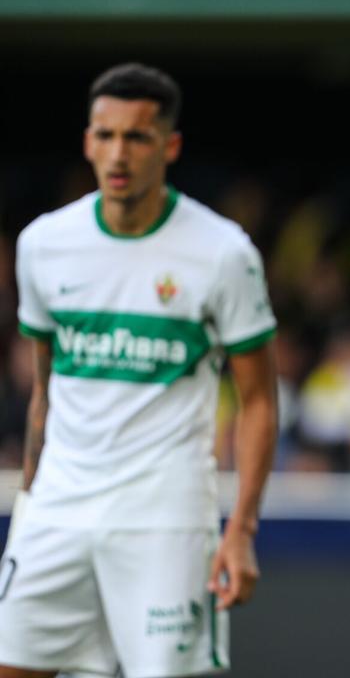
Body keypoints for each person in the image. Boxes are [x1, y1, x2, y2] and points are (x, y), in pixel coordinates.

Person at [0, 64, 278, 678]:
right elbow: (45, 393)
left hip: (164, 516)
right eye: (106, 135)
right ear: (87, 141)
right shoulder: (43, 244)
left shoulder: (222, 252)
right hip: (58, 510)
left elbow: (258, 399)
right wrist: (28, 502)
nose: (118, 153)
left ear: (169, 146)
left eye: (137, 137)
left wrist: (241, 530)